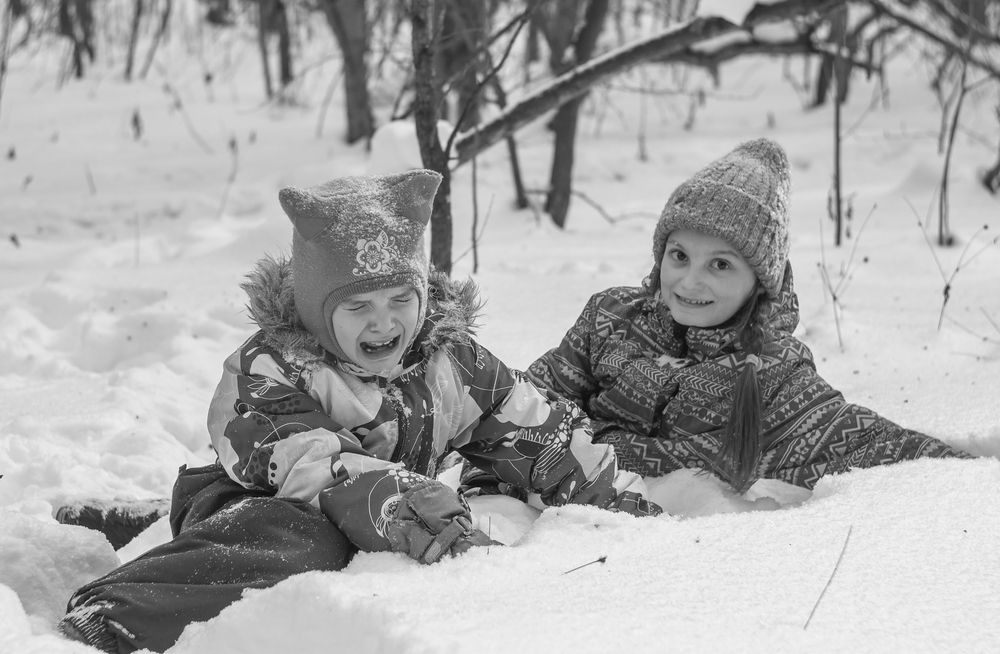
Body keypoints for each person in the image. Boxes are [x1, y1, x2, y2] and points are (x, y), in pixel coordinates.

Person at [59, 169, 661, 653]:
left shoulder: (450, 360)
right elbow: (308, 465)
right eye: (358, 307)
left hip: (394, 506)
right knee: (309, 543)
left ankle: (127, 521)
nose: (384, 322)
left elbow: (528, 424)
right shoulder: (274, 366)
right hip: (256, 498)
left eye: (402, 299)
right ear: (320, 310)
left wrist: (606, 493)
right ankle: (116, 609)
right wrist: (396, 500)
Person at [527, 138, 971, 494]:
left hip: (677, 553)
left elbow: (877, 444)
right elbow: (527, 400)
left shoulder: (774, 373)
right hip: (561, 518)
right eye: (679, 255)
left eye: (720, 264)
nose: (689, 282)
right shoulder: (612, 317)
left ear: (760, 281)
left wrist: (975, 476)